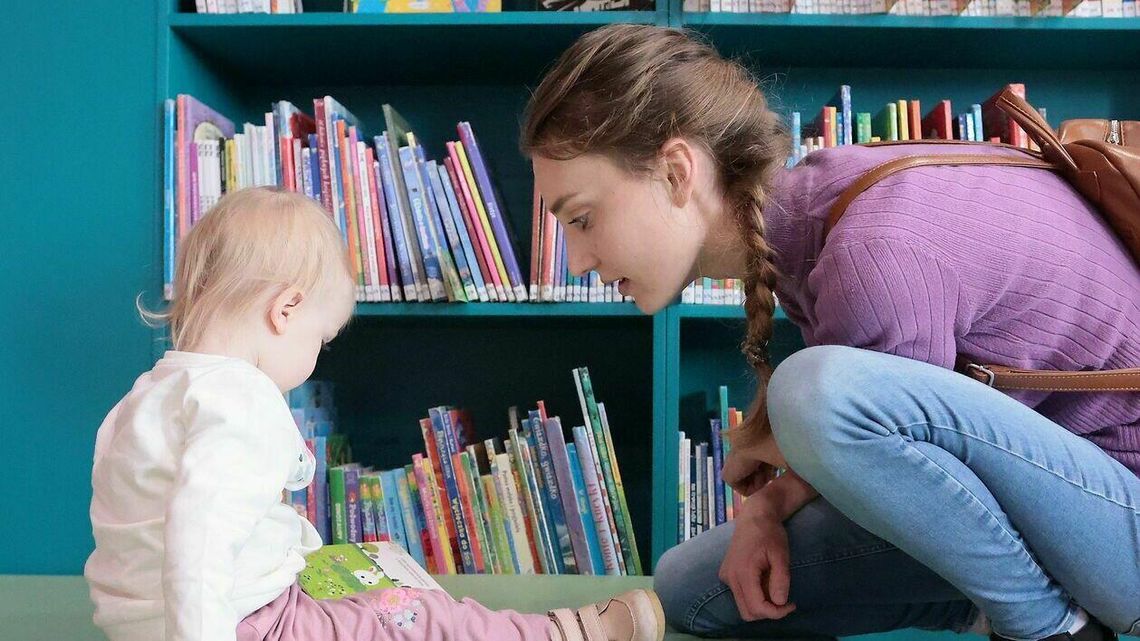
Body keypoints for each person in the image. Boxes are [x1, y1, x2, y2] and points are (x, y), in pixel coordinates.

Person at [522, 23, 1140, 641]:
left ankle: (1050, 627)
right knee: (693, 587)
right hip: (1053, 506)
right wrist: (767, 505)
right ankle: (985, 604)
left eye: (583, 218)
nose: (576, 262)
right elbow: (913, 473)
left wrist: (776, 466)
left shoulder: (873, 246)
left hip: (1123, 523)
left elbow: (880, 434)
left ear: (677, 172)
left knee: (814, 389)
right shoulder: (812, 212)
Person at [83, 187, 665, 641]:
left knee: (358, 585)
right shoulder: (241, 399)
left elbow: (126, 525)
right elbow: (199, 543)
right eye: (320, 338)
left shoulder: (147, 395)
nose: (316, 356)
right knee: (419, 614)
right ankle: (560, 632)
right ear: (285, 311)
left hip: (143, 625)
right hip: (243, 625)